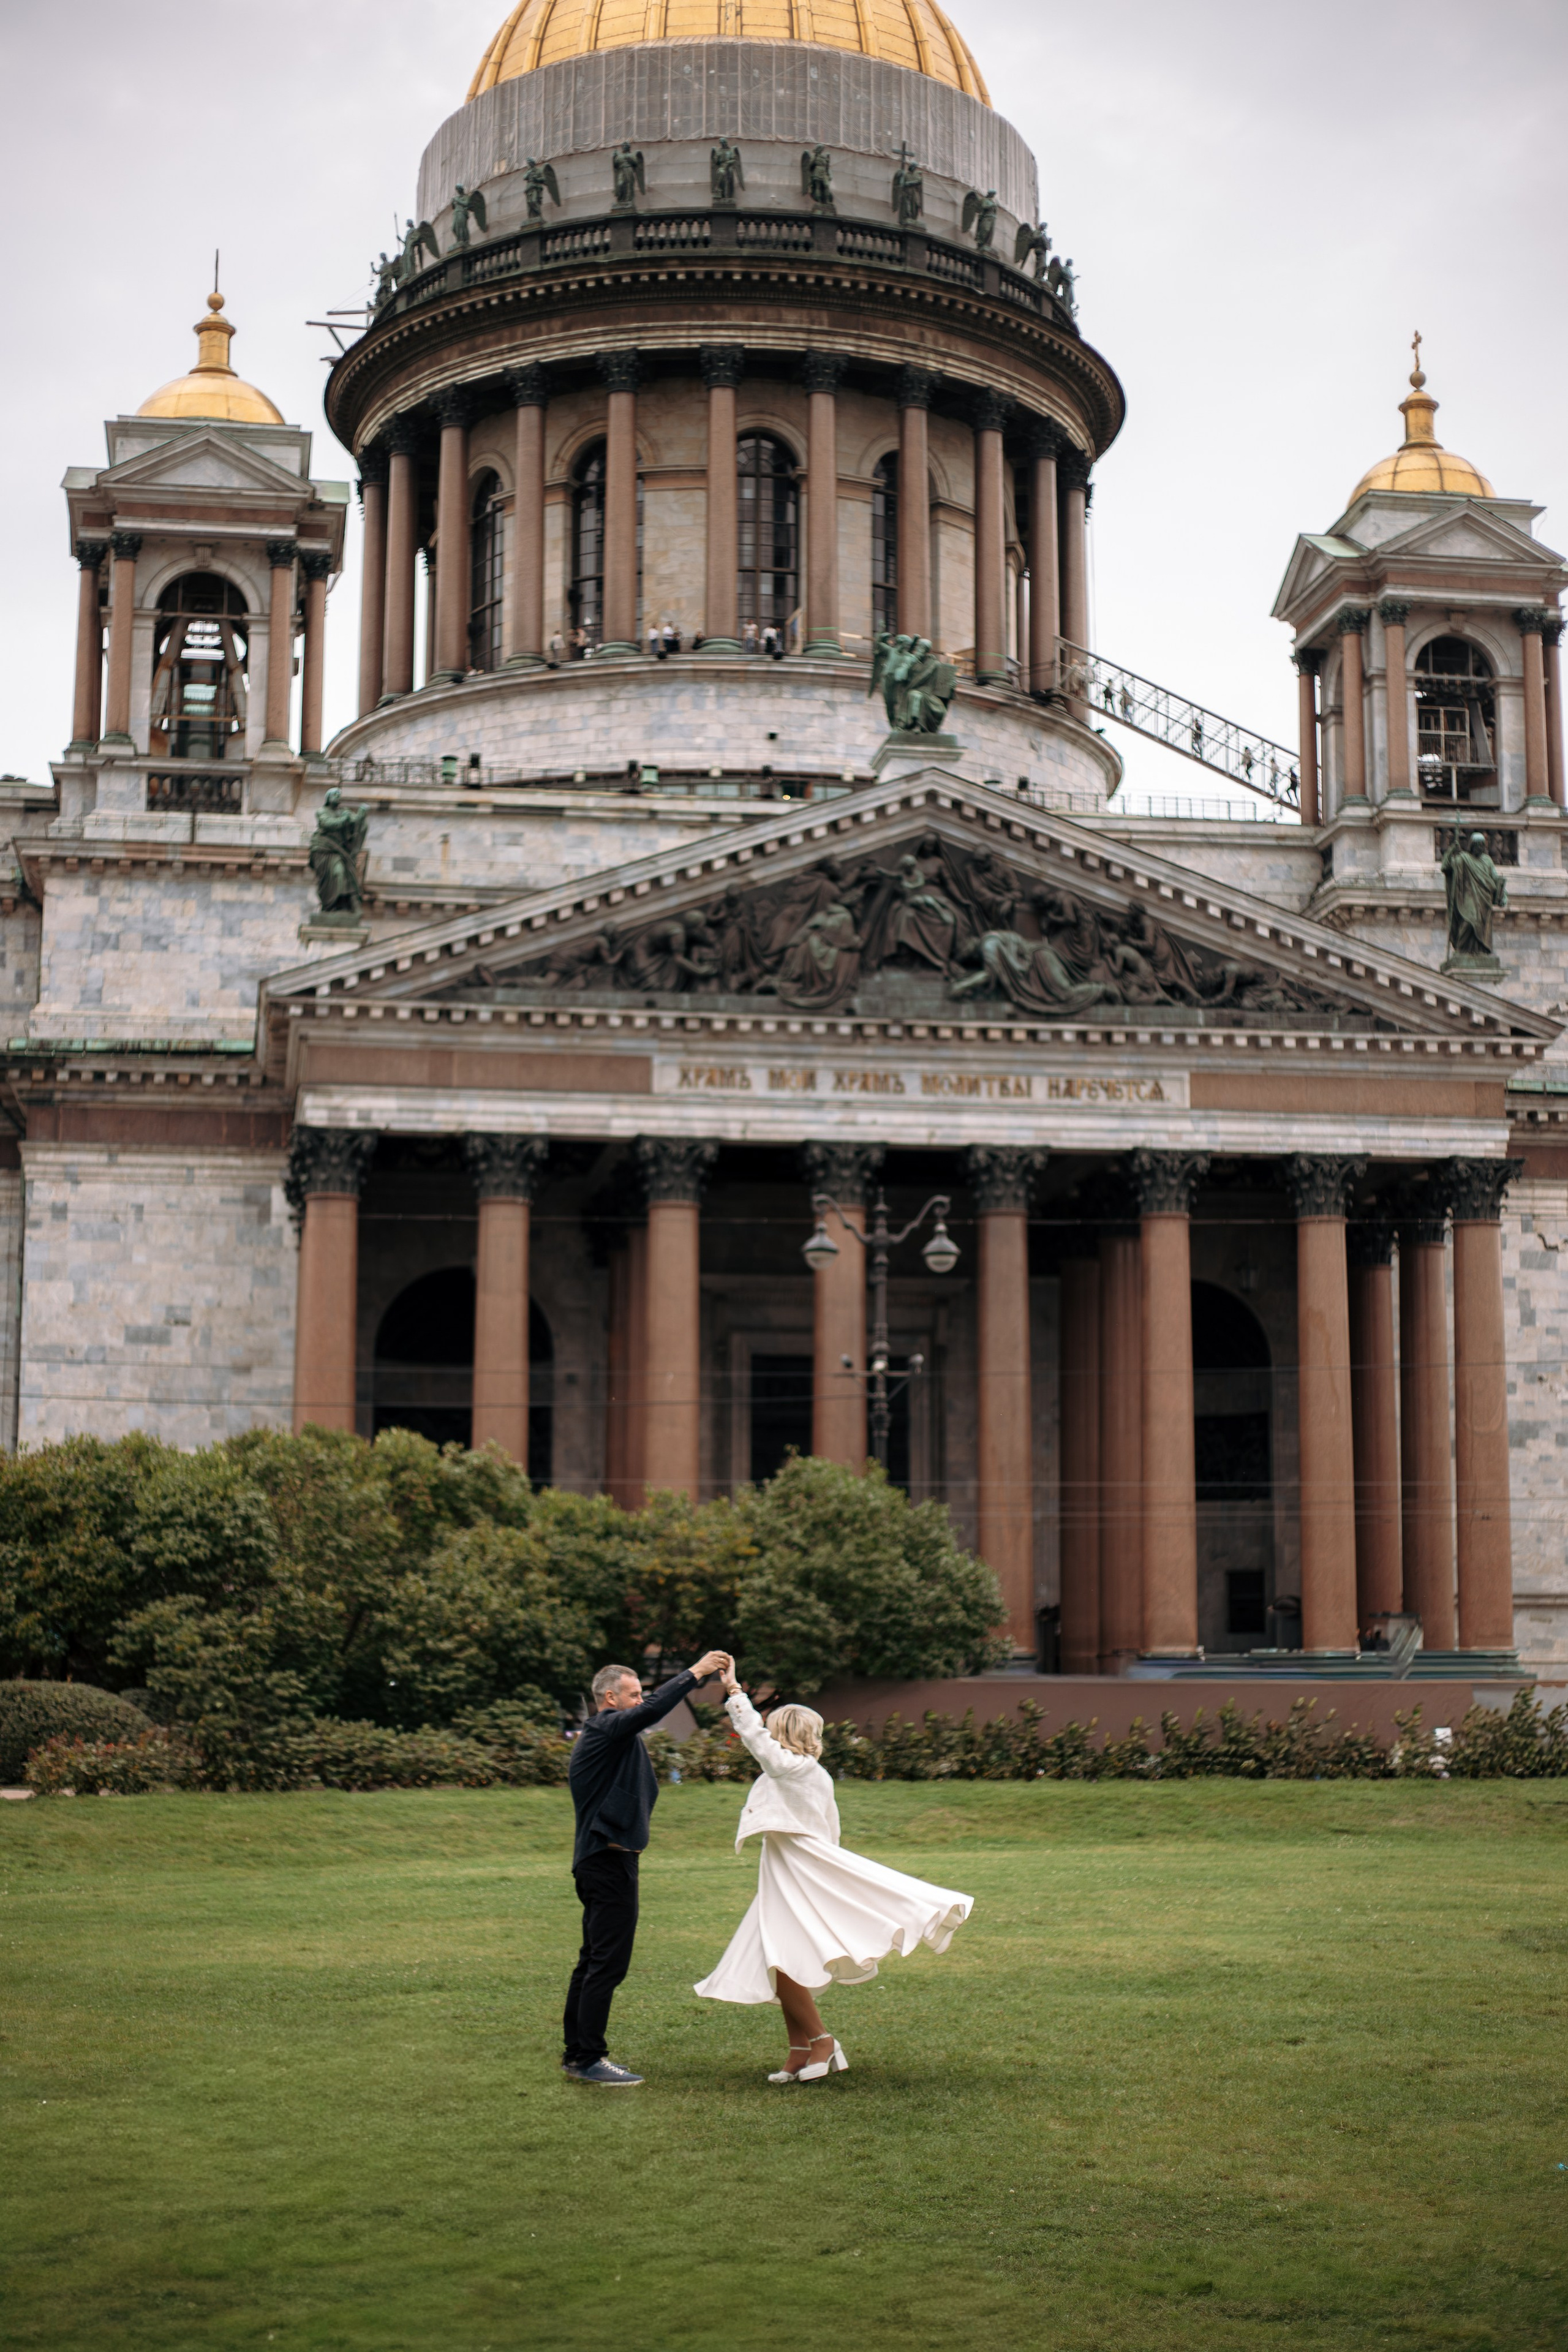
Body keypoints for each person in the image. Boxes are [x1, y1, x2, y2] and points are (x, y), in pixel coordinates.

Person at [694, 1662, 973, 2081]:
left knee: (781, 1960)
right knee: (778, 1960)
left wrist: (734, 1690)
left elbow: (758, 1744)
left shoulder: (797, 1769)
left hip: (801, 1872)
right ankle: (800, 2050)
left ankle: (822, 2043)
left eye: (773, 1731)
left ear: (782, 1734)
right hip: (786, 1872)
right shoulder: (798, 1771)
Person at [564, 1651, 731, 2086]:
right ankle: (588, 2059)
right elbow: (656, 1708)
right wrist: (696, 1673)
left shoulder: (615, 1735)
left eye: (641, 1694)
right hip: (607, 1863)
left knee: (592, 1961)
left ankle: (577, 2054)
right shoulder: (605, 1728)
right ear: (609, 1698)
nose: (642, 1701)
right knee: (607, 1964)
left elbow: (647, 1716)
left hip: (603, 1862)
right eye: (634, 1695)